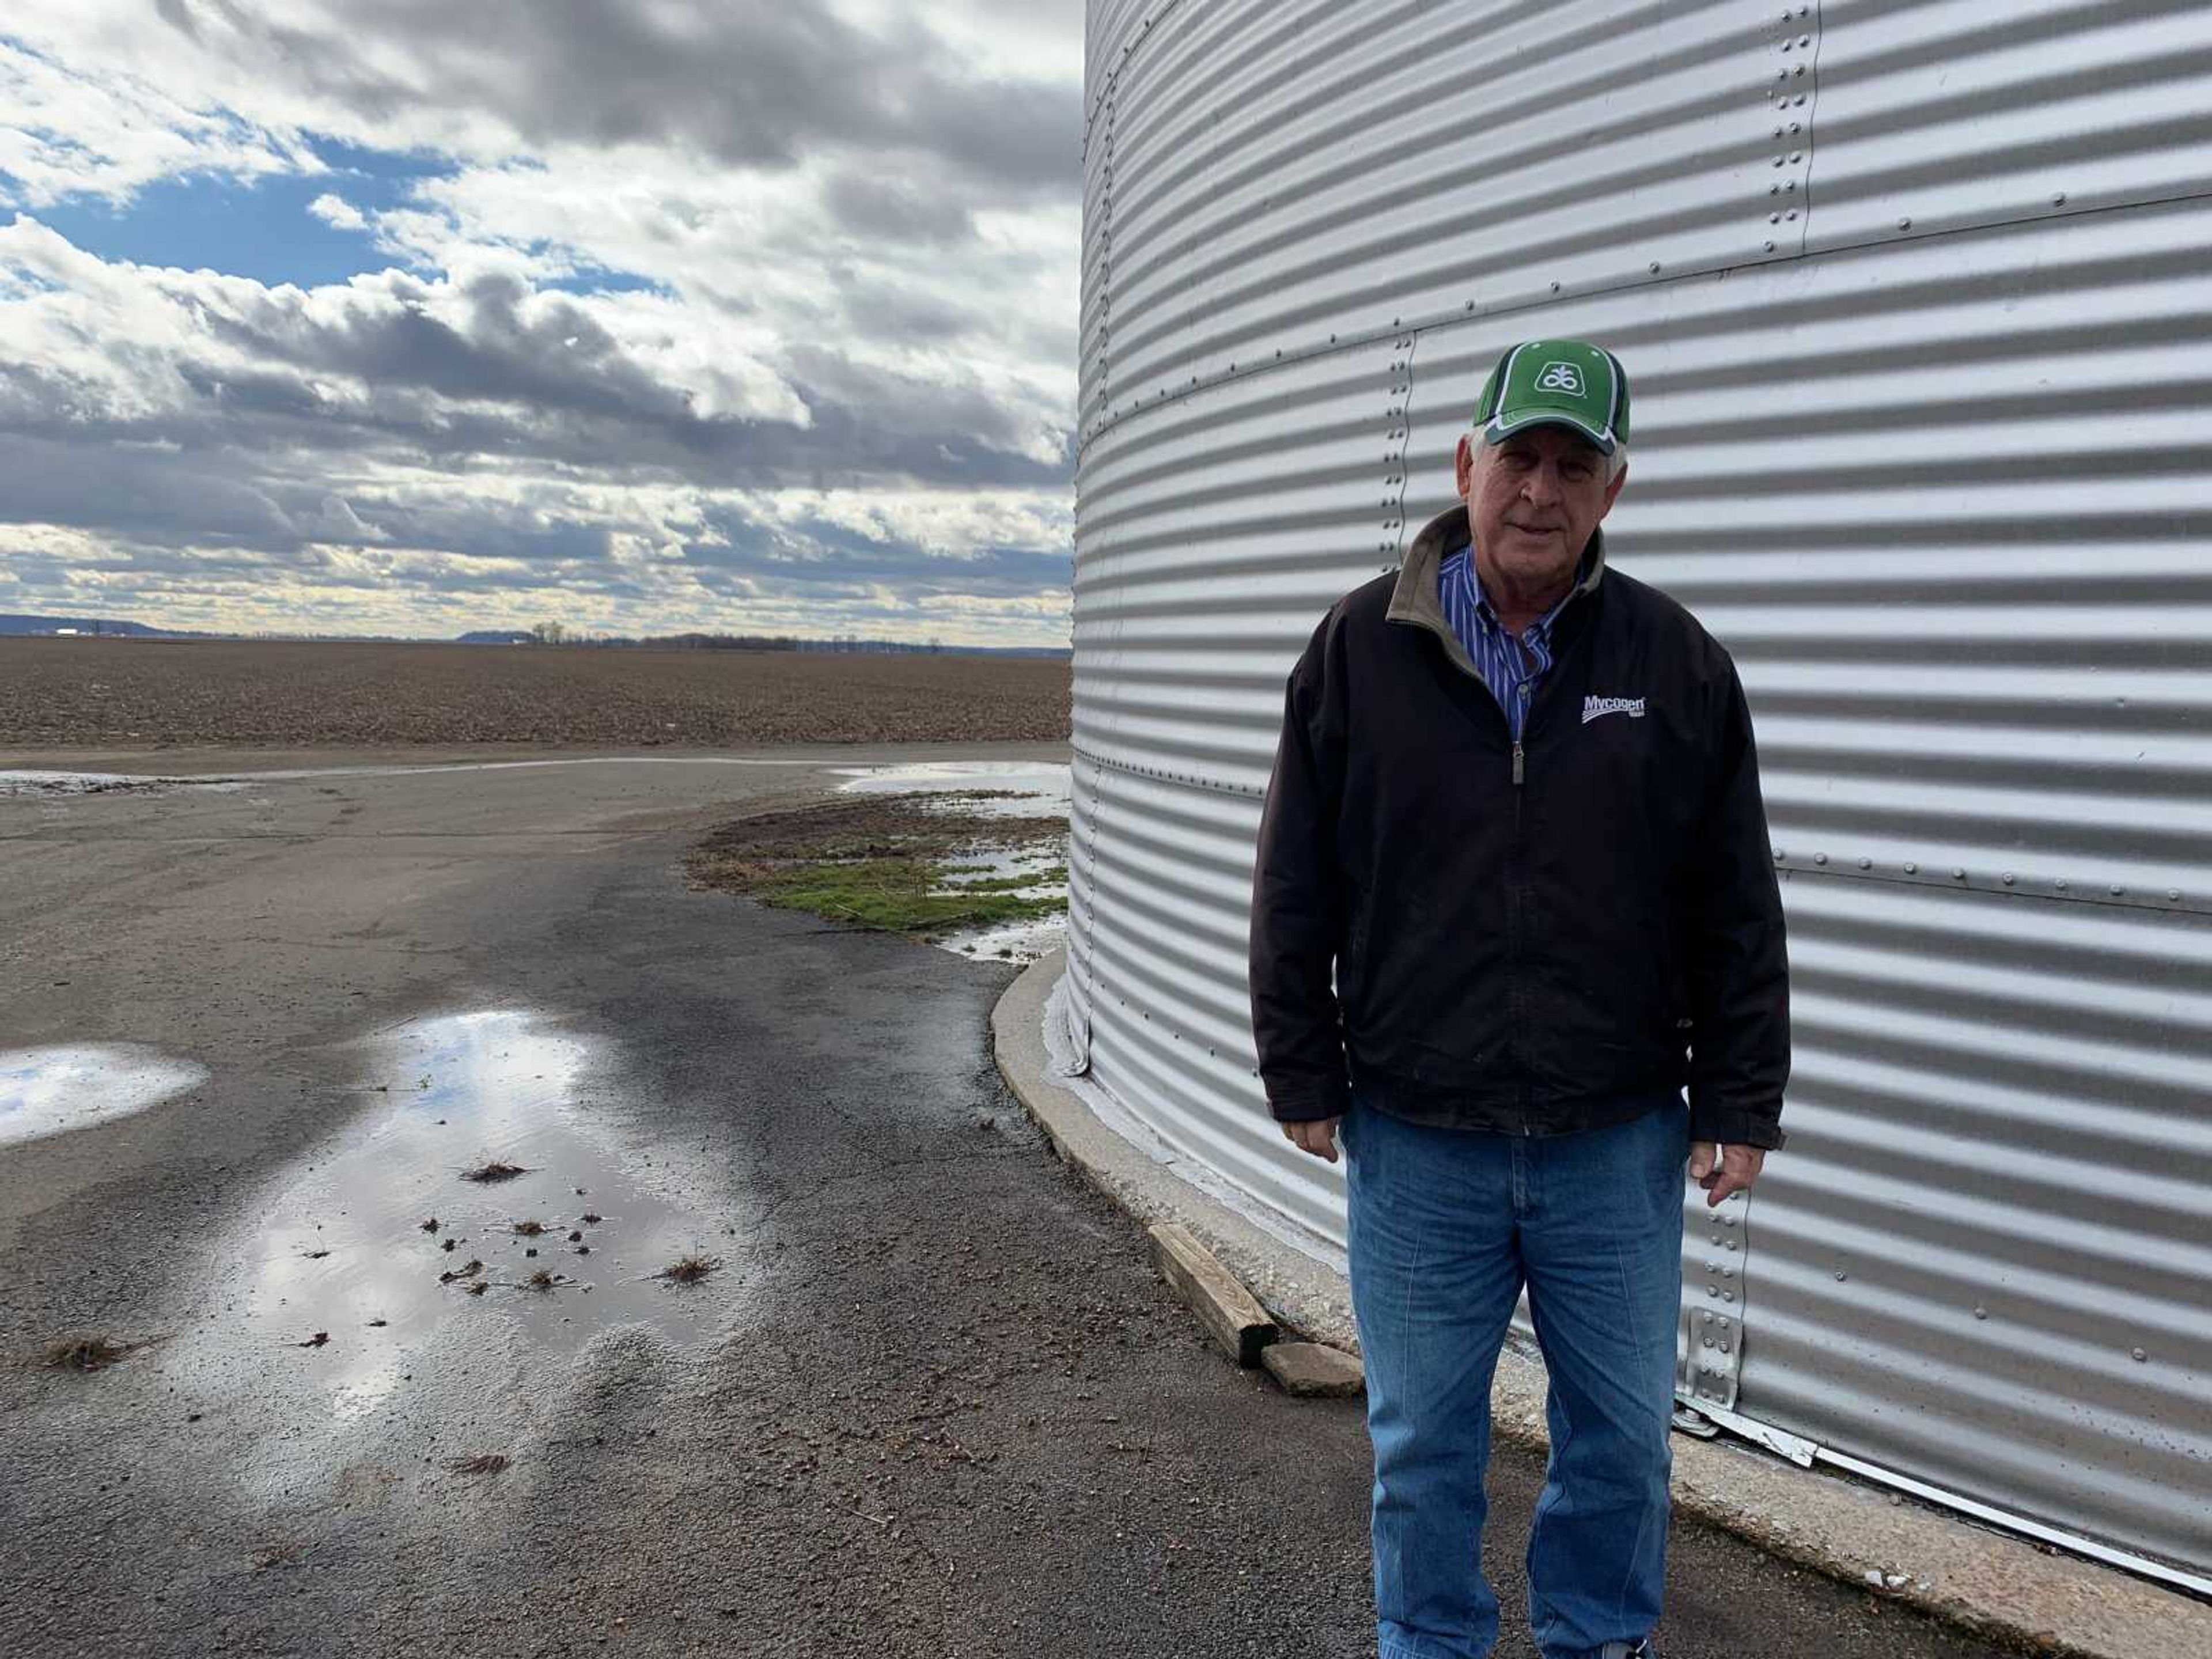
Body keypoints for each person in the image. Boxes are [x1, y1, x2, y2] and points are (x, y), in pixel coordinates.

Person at [1247, 339, 1790, 1659]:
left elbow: (1734, 899)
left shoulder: (1675, 662)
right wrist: (1300, 1066)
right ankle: (1429, 1643)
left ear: (1613, 491)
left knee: (1619, 1447)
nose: (1539, 492)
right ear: (1464, 466)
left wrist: (1738, 1098)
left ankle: (1594, 1642)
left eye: (1573, 466)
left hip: (1614, 1141)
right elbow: (1295, 874)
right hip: (1418, 1138)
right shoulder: (1358, 650)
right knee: (1424, 1443)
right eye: (1518, 458)